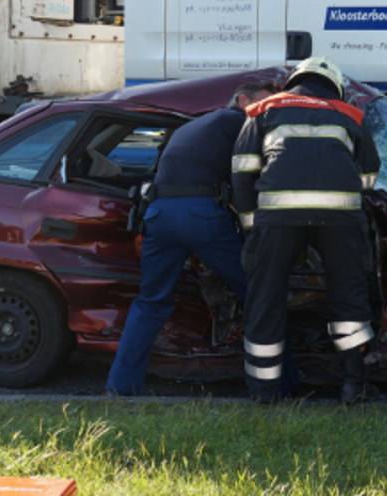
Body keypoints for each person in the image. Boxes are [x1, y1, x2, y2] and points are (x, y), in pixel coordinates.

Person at [104, 79, 276, 396]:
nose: (267, 112)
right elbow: (247, 176)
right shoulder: (237, 121)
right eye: (263, 104)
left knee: (150, 302)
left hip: (159, 215)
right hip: (200, 216)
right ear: (241, 100)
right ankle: (275, 387)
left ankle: (120, 387)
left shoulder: (194, 126)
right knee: (257, 294)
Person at [232, 57, 381, 404]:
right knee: (349, 297)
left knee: (266, 299)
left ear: (293, 82)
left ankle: (264, 393)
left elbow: (242, 172)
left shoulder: (263, 109)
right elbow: (369, 177)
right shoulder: (350, 115)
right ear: (335, 86)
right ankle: (353, 385)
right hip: (341, 221)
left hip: (278, 220)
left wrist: (252, 225)